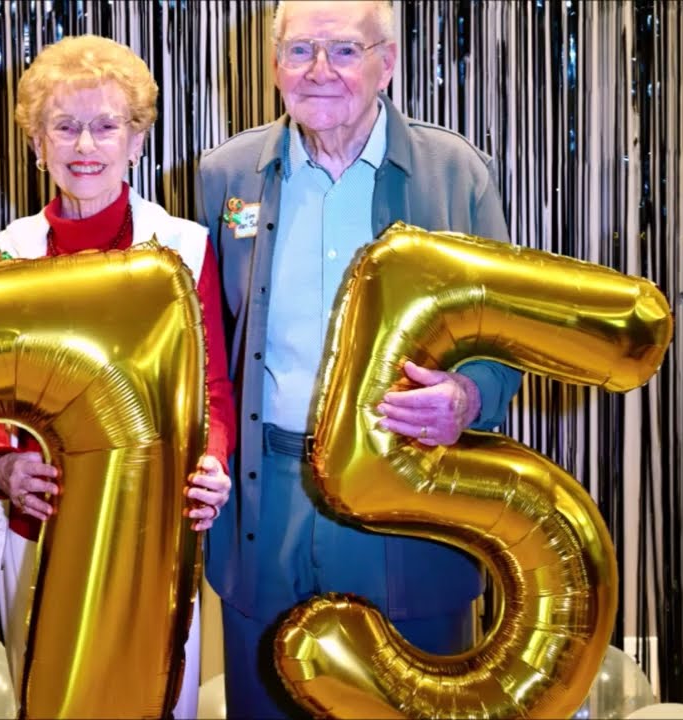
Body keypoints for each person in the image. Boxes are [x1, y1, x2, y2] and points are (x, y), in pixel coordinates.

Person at [196, 1, 526, 716]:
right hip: (269, 502)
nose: (319, 72)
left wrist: (468, 400)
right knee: (268, 698)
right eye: (299, 51)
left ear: (389, 62)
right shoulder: (225, 178)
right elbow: (205, 349)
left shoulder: (455, 174)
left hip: (410, 498)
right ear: (273, 62)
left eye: (344, 50)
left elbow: (507, 337)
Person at [0, 34, 237, 718]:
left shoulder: (183, 246)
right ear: (37, 143)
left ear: (137, 140)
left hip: (155, 532)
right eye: (65, 126)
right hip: (38, 532)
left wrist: (213, 460)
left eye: (106, 125)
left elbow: (211, 390)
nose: (85, 145)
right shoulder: (9, 251)